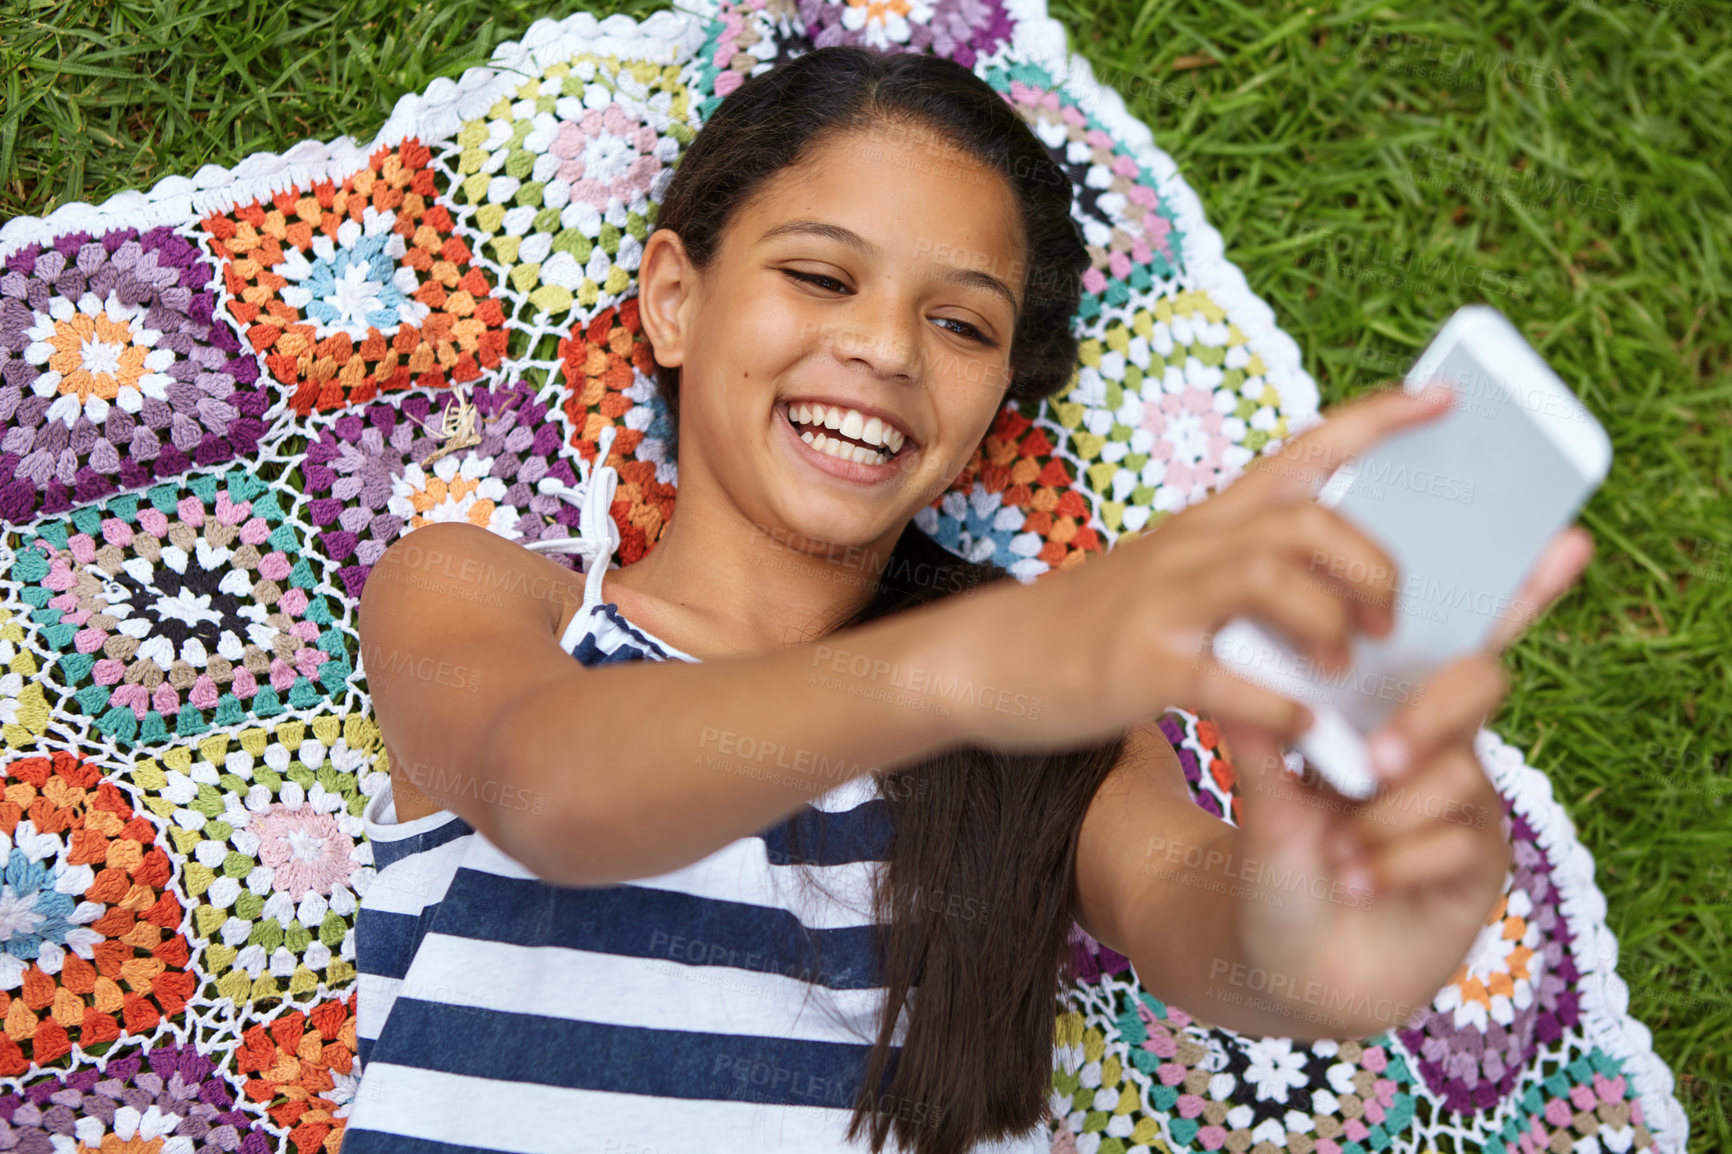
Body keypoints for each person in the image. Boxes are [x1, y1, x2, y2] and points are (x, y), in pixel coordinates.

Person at [343, 44, 1593, 1154]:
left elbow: (1208, 925)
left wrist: (1334, 933)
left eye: (958, 322)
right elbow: (558, 793)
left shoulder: (1049, 713)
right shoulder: (483, 589)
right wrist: (982, 662)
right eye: (822, 276)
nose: (887, 349)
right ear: (674, 296)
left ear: (997, 389)